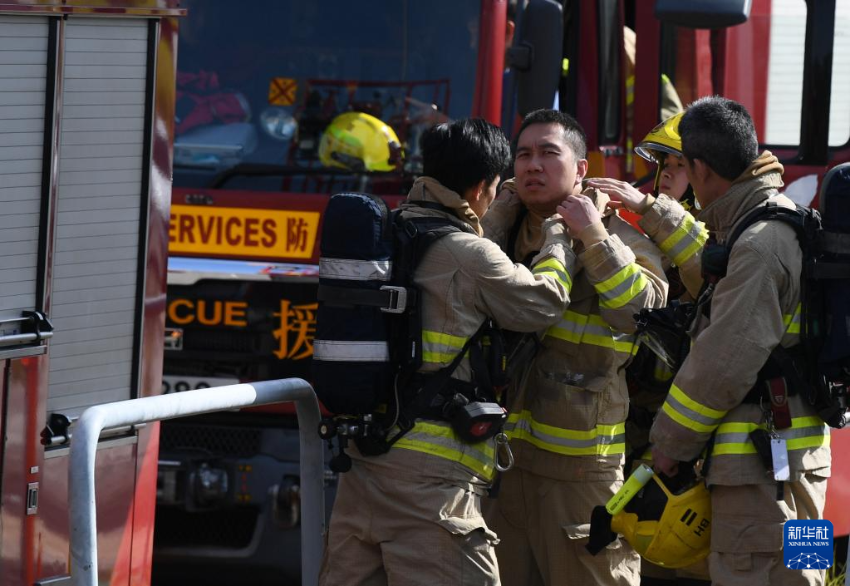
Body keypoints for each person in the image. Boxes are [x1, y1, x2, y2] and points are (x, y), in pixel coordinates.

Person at [319, 118, 576, 586]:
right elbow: (544, 302)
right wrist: (560, 234)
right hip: (431, 489)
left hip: (364, 471)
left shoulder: (392, 232)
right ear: (482, 187)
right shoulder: (469, 254)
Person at [646, 97, 831, 585]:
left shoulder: (757, 245)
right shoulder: (783, 218)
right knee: (803, 577)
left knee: (758, 575)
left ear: (701, 169)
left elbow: (723, 361)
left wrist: (670, 444)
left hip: (758, 476)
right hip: (799, 464)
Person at [482, 109, 668, 586]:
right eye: (523, 154)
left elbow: (642, 313)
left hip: (579, 471)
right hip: (499, 464)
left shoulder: (620, 236)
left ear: (581, 169)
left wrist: (592, 235)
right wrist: (494, 218)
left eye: (549, 153)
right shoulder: (495, 232)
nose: (532, 166)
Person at [589, 114, 712, 586]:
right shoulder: (647, 229)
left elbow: (708, 267)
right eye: (662, 164)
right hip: (656, 421)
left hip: (739, 439)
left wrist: (650, 209)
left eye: (678, 164)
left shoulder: (735, 234)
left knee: (795, 553)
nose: (665, 176)